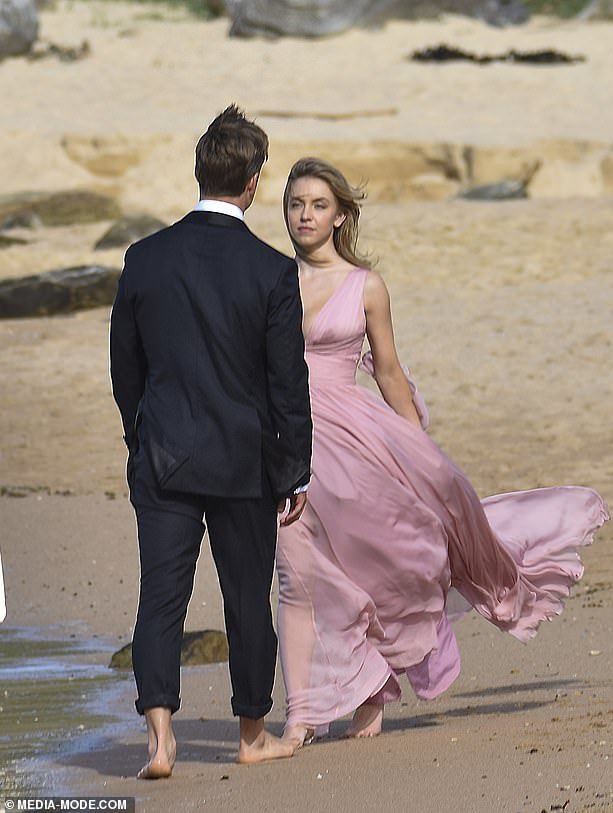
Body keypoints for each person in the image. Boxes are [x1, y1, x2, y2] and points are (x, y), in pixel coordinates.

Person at [275, 157, 609, 747]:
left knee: (383, 561)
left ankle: (370, 688)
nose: (305, 215)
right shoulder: (269, 279)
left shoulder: (364, 285)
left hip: (354, 439)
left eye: (318, 205)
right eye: (297, 203)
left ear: (341, 216)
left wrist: (417, 453)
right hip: (285, 443)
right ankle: (305, 712)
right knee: (304, 576)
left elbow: (387, 370)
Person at [109, 106, 312, 777]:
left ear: (198, 172)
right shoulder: (272, 270)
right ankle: (252, 734)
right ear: (253, 181)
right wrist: (295, 471)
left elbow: (125, 368)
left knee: (159, 596)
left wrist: (140, 437)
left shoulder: (144, 258)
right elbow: (287, 383)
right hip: (245, 463)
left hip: (163, 454)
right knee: (246, 598)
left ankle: (160, 739)